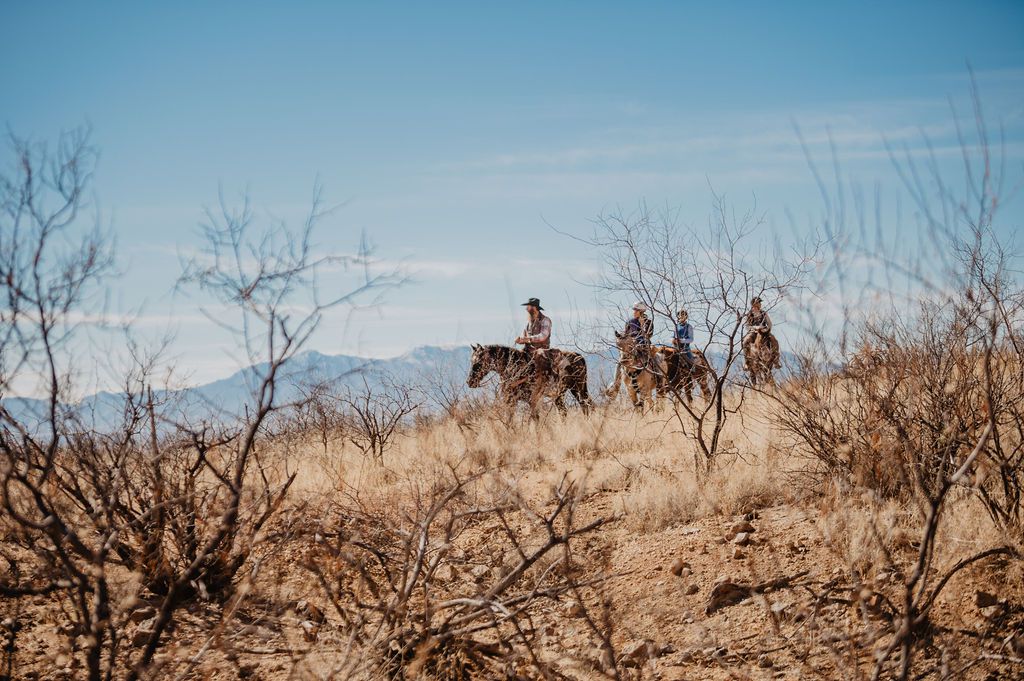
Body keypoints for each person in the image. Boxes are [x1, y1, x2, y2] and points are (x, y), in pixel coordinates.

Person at [743, 296, 782, 368]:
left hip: (764, 331)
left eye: (760, 303)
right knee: (745, 341)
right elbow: (747, 326)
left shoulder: (764, 313)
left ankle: (776, 361)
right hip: (753, 332)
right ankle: (747, 362)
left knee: (775, 341)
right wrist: (755, 327)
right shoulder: (749, 314)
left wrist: (767, 329)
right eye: (758, 302)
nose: (760, 304)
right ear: (754, 304)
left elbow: (769, 323)